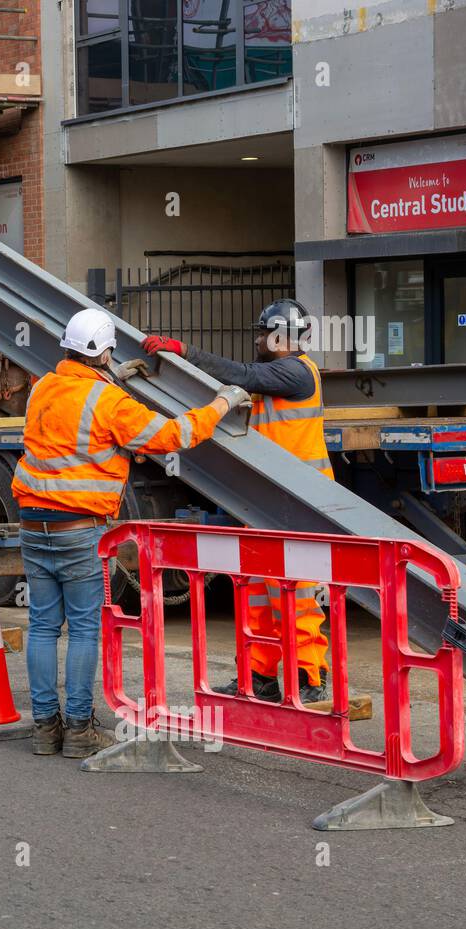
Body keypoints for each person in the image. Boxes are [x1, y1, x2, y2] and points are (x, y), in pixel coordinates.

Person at [13, 308, 248, 758]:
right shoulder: (109, 402)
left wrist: (115, 377)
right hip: (79, 530)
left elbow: (73, 413)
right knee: (83, 629)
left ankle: (46, 729)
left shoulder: (42, 387)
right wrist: (223, 401)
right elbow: (172, 435)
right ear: (103, 351)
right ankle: (79, 730)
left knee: (43, 626)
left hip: (32, 525)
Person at [144, 298, 332, 704]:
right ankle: (259, 677)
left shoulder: (296, 372)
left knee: (297, 596)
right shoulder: (275, 376)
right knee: (258, 597)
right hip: (266, 502)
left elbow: (241, 373)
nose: (259, 339)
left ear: (283, 337)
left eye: (264, 333)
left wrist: (184, 351)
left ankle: (311, 677)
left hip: (298, 505)